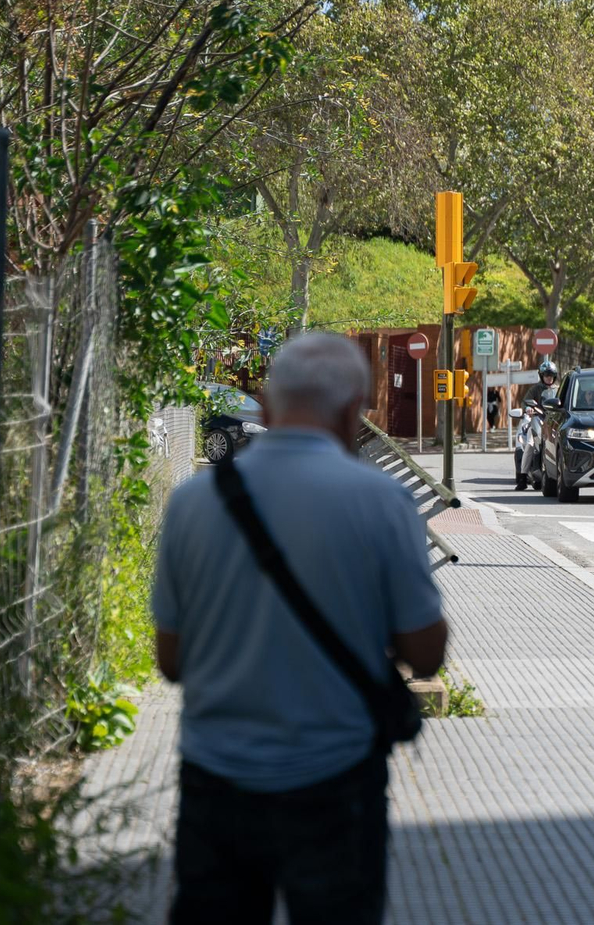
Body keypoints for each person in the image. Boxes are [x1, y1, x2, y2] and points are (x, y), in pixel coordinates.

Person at [152, 332, 448, 924]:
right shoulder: (382, 502)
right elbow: (426, 652)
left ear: (264, 404)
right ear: (351, 412)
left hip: (217, 779)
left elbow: (171, 661)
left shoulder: (192, 502)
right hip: (336, 781)